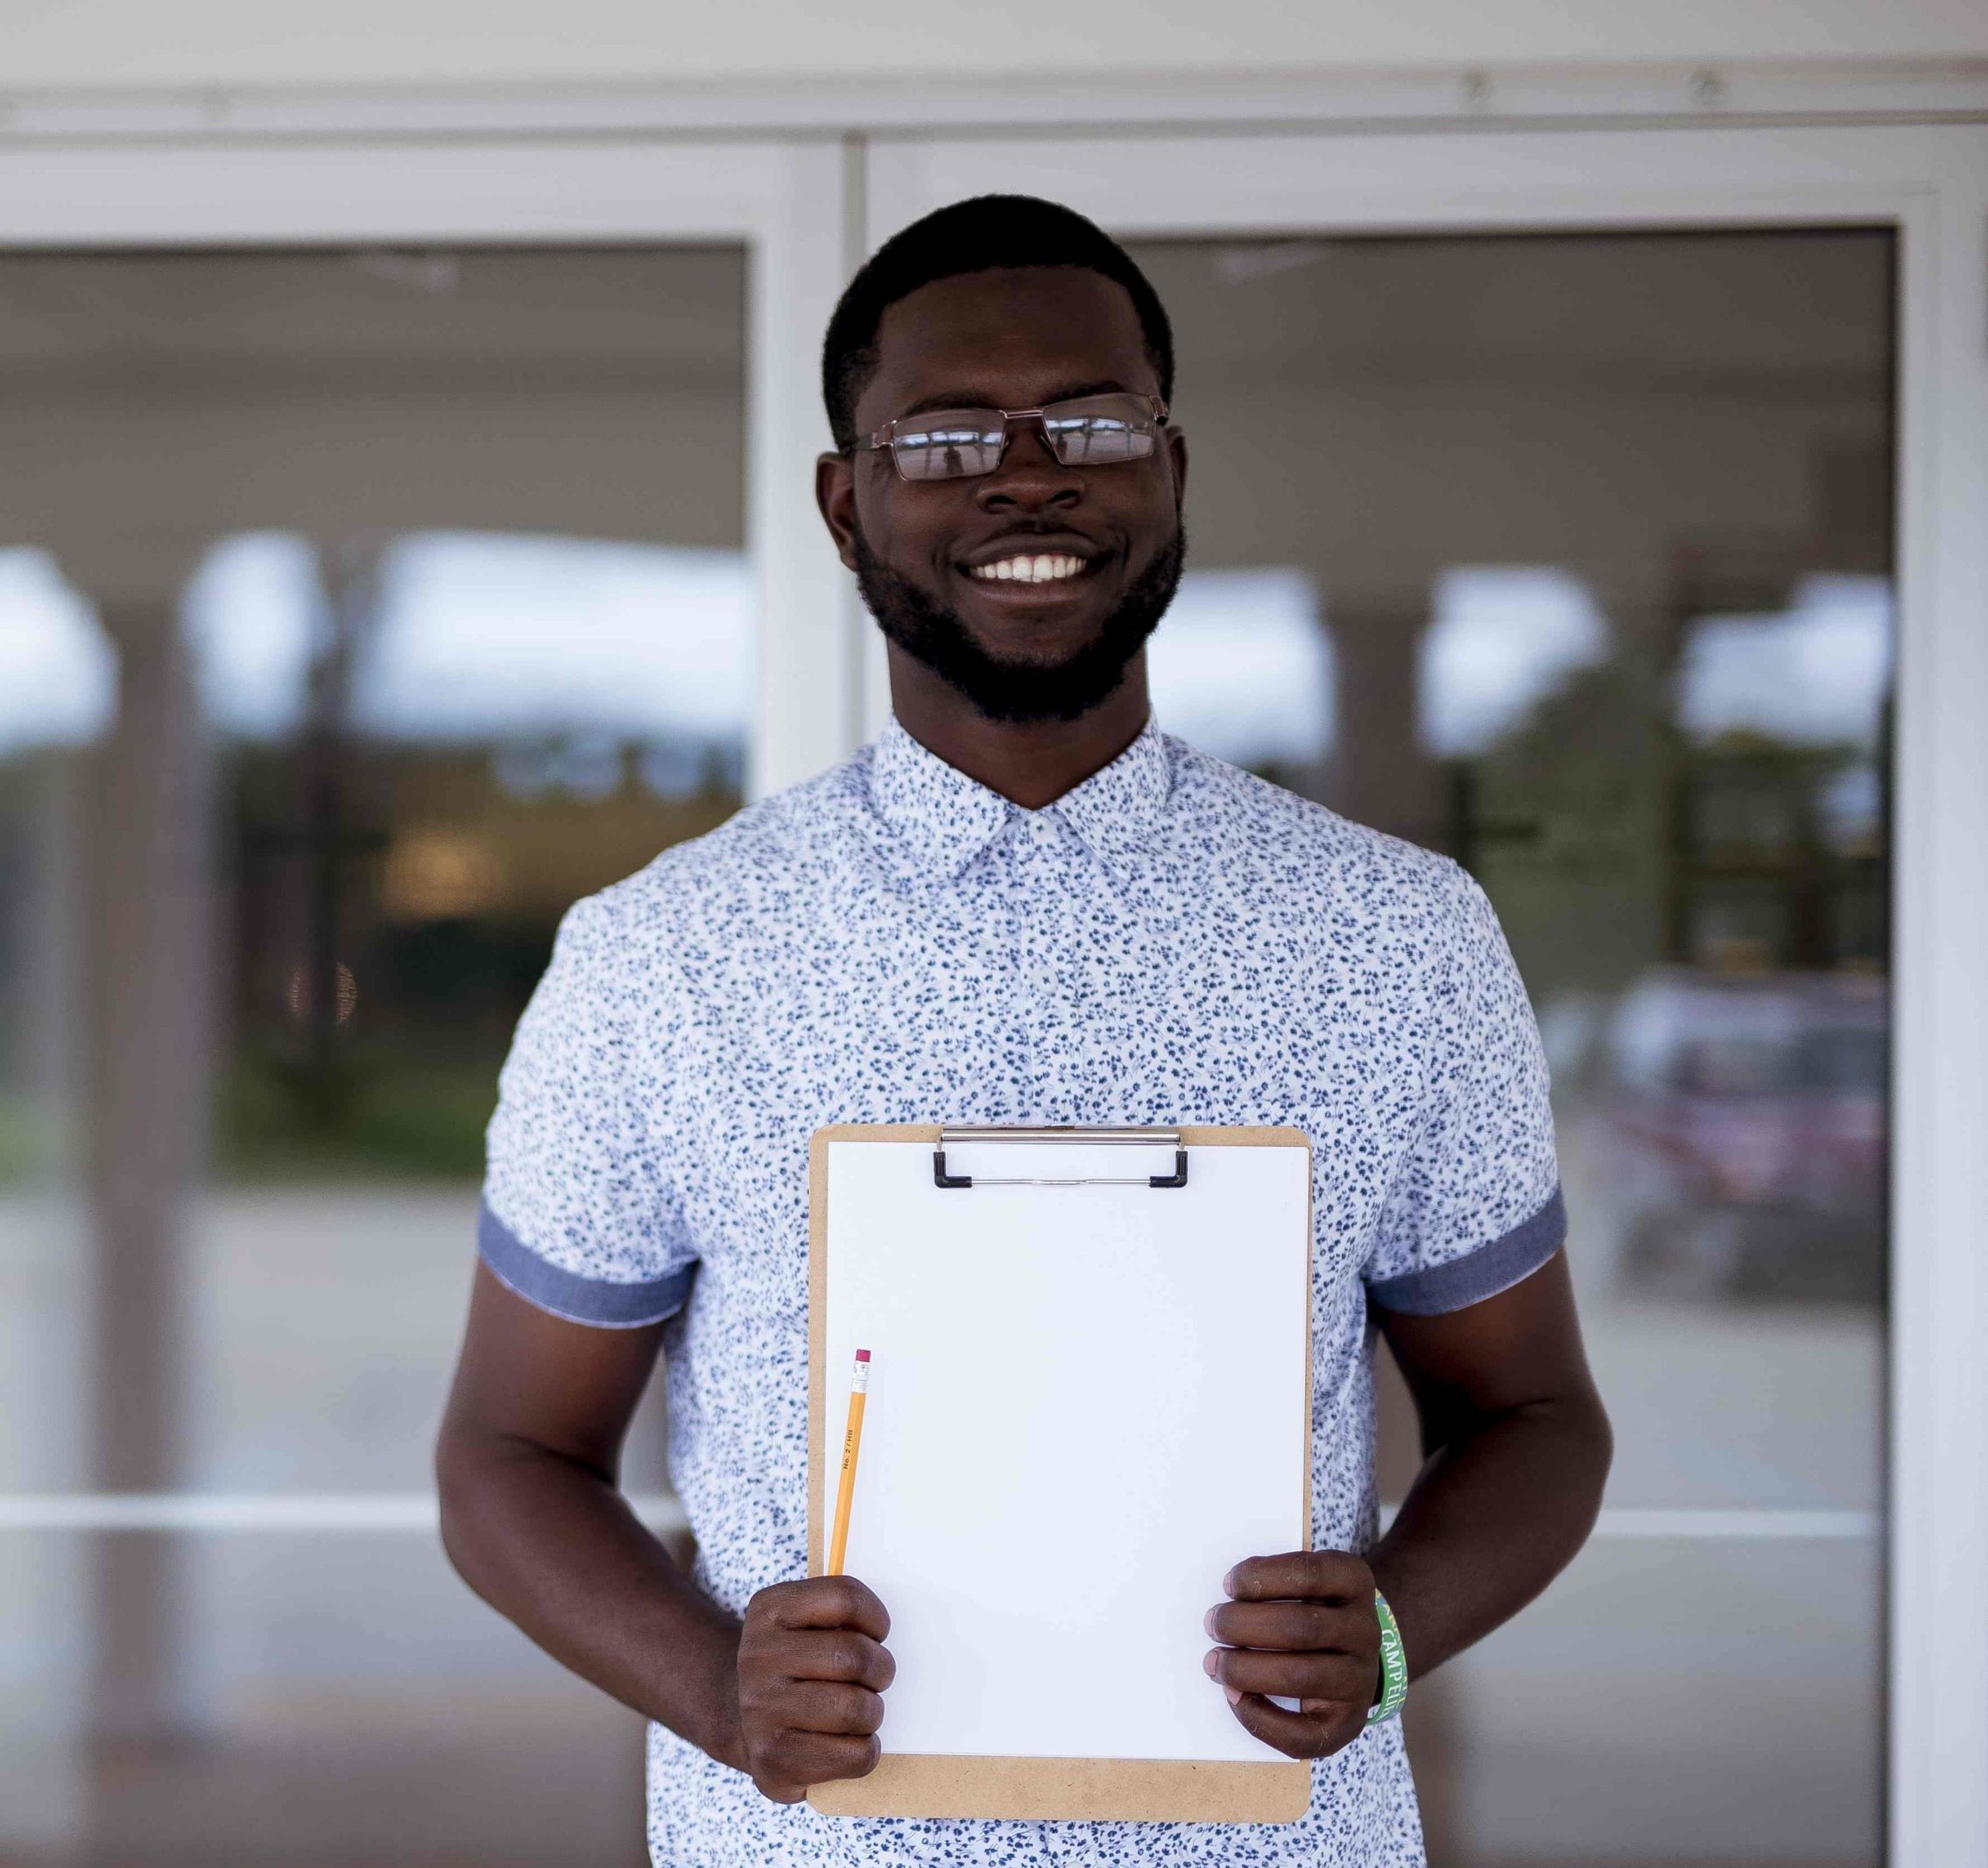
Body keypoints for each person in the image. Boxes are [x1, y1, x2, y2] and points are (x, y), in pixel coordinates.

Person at [435, 194, 1612, 1867]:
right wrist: (716, 1682)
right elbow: (504, 1454)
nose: (1025, 474)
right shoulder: (663, 958)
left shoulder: (1397, 938)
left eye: (1091, 420)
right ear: (847, 507)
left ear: (1173, 472)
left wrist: (1395, 1622)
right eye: (944, 435)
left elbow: (1538, 1418)